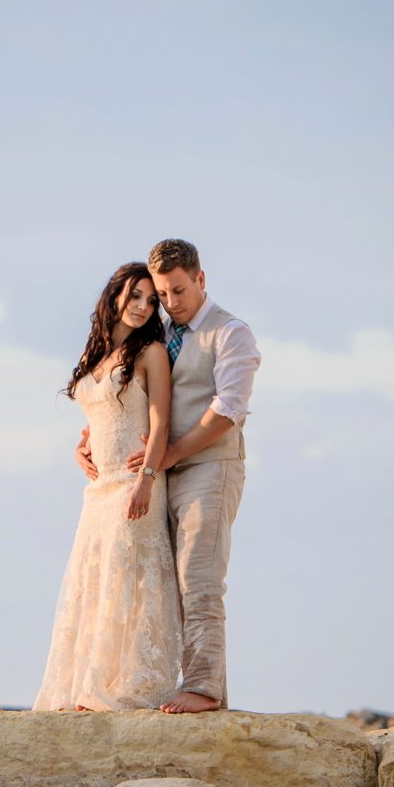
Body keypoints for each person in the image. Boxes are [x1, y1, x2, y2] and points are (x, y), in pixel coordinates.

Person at [76, 239, 260, 714]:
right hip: (160, 473)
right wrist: (91, 436)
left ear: (201, 279)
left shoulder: (231, 333)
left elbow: (229, 409)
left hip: (208, 467)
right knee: (164, 583)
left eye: (178, 291)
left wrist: (166, 455)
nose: (171, 303)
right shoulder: (157, 335)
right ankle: (156, 684)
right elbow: (132, 394)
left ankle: (204, 689)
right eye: (163, 294)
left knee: (199, 577)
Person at [32, 263, 182, 712]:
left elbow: (160, 422)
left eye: (151, 301)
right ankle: (86, 685)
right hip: (97, 492)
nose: (142, 307)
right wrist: (79, 449)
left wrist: (147, 480)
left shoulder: (150, 351)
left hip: (135, 484)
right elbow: (95, 417)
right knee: (94, 578)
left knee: (129, 578)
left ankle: (122, 685)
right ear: (115, 295)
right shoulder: (94, 354)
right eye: (135, 296)